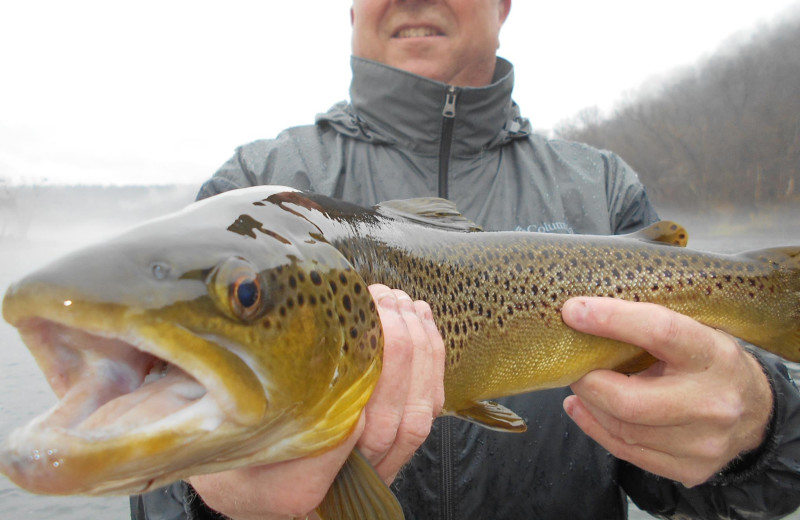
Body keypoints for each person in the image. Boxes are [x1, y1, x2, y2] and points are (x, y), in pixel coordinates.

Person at [131, 1, 800, 518]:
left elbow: (699, 489)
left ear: (506, 4)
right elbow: (152, 466)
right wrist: (216, 504)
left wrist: (756, 428)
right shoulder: (255, 193)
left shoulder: (602, 188)